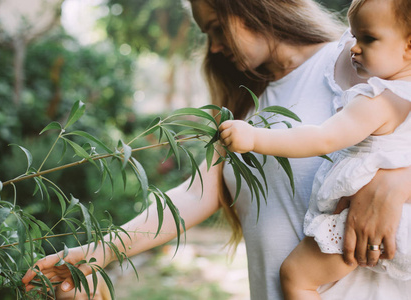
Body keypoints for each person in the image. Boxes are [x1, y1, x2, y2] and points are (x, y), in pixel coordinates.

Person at [22, 0, 411, 299]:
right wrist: (101, 251)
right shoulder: (243, 108)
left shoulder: (354, 61)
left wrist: (401, 180)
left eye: (215, 27)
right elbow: (193, 194)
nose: (214, 47)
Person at [218, 0, 411, 298]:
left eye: (369, 39)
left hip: (356, 223)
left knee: (296, 276)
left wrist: (255, 139)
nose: (354, 48)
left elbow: (322, 139)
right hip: (397, 223)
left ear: (409, 47)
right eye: (355, 36)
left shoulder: (378, 101)